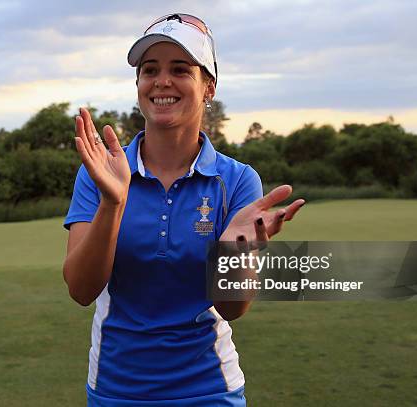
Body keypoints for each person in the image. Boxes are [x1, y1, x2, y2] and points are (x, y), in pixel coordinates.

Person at [63, 13, 305, 406]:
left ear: (208, 86)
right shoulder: (101, 172)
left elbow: (232, 308)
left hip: (209, 390)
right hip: (116, 389)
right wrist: (113, 202)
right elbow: (81, 289)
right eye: (149, 70)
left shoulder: (238, 181)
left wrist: (236, 255)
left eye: (180, 69)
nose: (162, 81)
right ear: (138, 84)